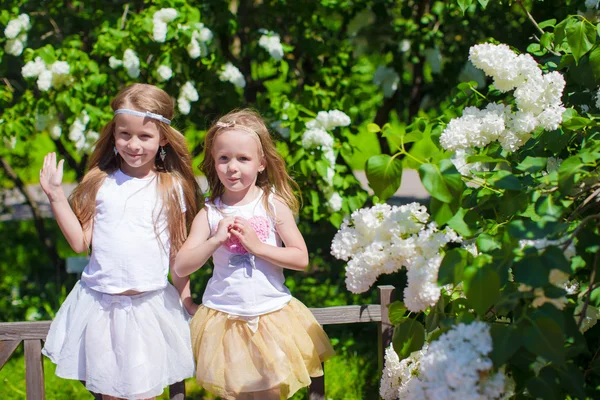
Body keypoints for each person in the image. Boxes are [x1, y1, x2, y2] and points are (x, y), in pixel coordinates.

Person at [39, 83, 200, 400]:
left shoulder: (172, 187)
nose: (133, 144)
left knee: (145, 393)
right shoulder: (100, 182)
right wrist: (56, 196)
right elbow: (79, 243)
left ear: (163, 138)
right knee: (111, 395)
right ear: (113, 135)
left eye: (145, 136)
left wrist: (186, 302)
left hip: (149, 307)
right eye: (125, 134)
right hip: (102, 307)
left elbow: (178, 256)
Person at [174, 109, 335, 400]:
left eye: (243, 159)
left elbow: (301, 258)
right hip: (225, 319)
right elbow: (181, 266)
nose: (232, 167)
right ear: (213, 161)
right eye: (223, 158)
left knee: (269, 394)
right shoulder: (210, 213)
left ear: (261, 163)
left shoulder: (272, 205)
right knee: (234, 393)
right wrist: (215, 240)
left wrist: (258, 247)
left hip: (270, 315)